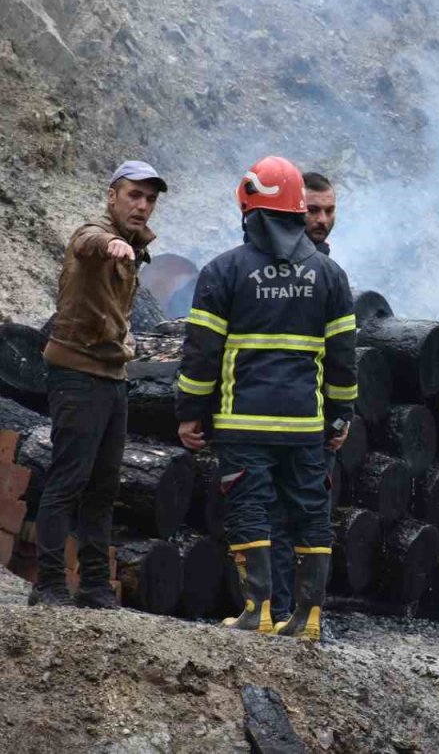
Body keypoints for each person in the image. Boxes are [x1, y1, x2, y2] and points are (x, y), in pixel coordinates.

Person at [176, 156, 357, 640]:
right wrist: (340, 418)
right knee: (310, 513)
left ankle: (258, 612)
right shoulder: (329, 275)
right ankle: (308, 618)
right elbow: (343, 361)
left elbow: (201, 355)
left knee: (250, 509)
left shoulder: (223, 271)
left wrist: (191, 412)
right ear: (299, 209)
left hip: (244, 423)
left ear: (248, 206)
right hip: (304, 426)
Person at [32, 162, 167, 607]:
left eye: (149, 199)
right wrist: (111, 243)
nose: (142, 206)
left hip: (112, 375)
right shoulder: (95, 235)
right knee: (68, 479)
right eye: (134, 195)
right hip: (76, 373)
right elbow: (89, 240)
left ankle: (93, 585)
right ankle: (48, 584)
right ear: (112, 196)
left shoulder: (135, 245)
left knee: (104, 486)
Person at [269, 170, 339, 621]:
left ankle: (306, 616)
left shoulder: (328, 268)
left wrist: (338, 416)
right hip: (276, 417)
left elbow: (338, 353)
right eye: (312, 209)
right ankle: (275, 612)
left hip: (315, 420)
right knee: (275, 517)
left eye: (330, 210)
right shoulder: (276, 268)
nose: (322, 219)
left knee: (311, 519)